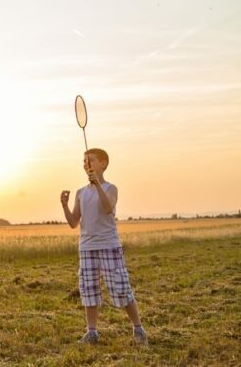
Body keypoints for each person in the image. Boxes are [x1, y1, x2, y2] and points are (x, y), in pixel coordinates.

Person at [60, 148, 146, 345]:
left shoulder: (110, 188)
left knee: (121, 288)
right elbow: (74, 222)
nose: (85, 164)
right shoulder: (81, 192)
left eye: (90, 160)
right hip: (86, 247)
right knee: (89, 291)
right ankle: (92, 333)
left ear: (103, 164)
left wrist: (97, 184)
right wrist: (64, 205)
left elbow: (108, 209)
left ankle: (138, 329)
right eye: (84, 161)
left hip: (109, 245)